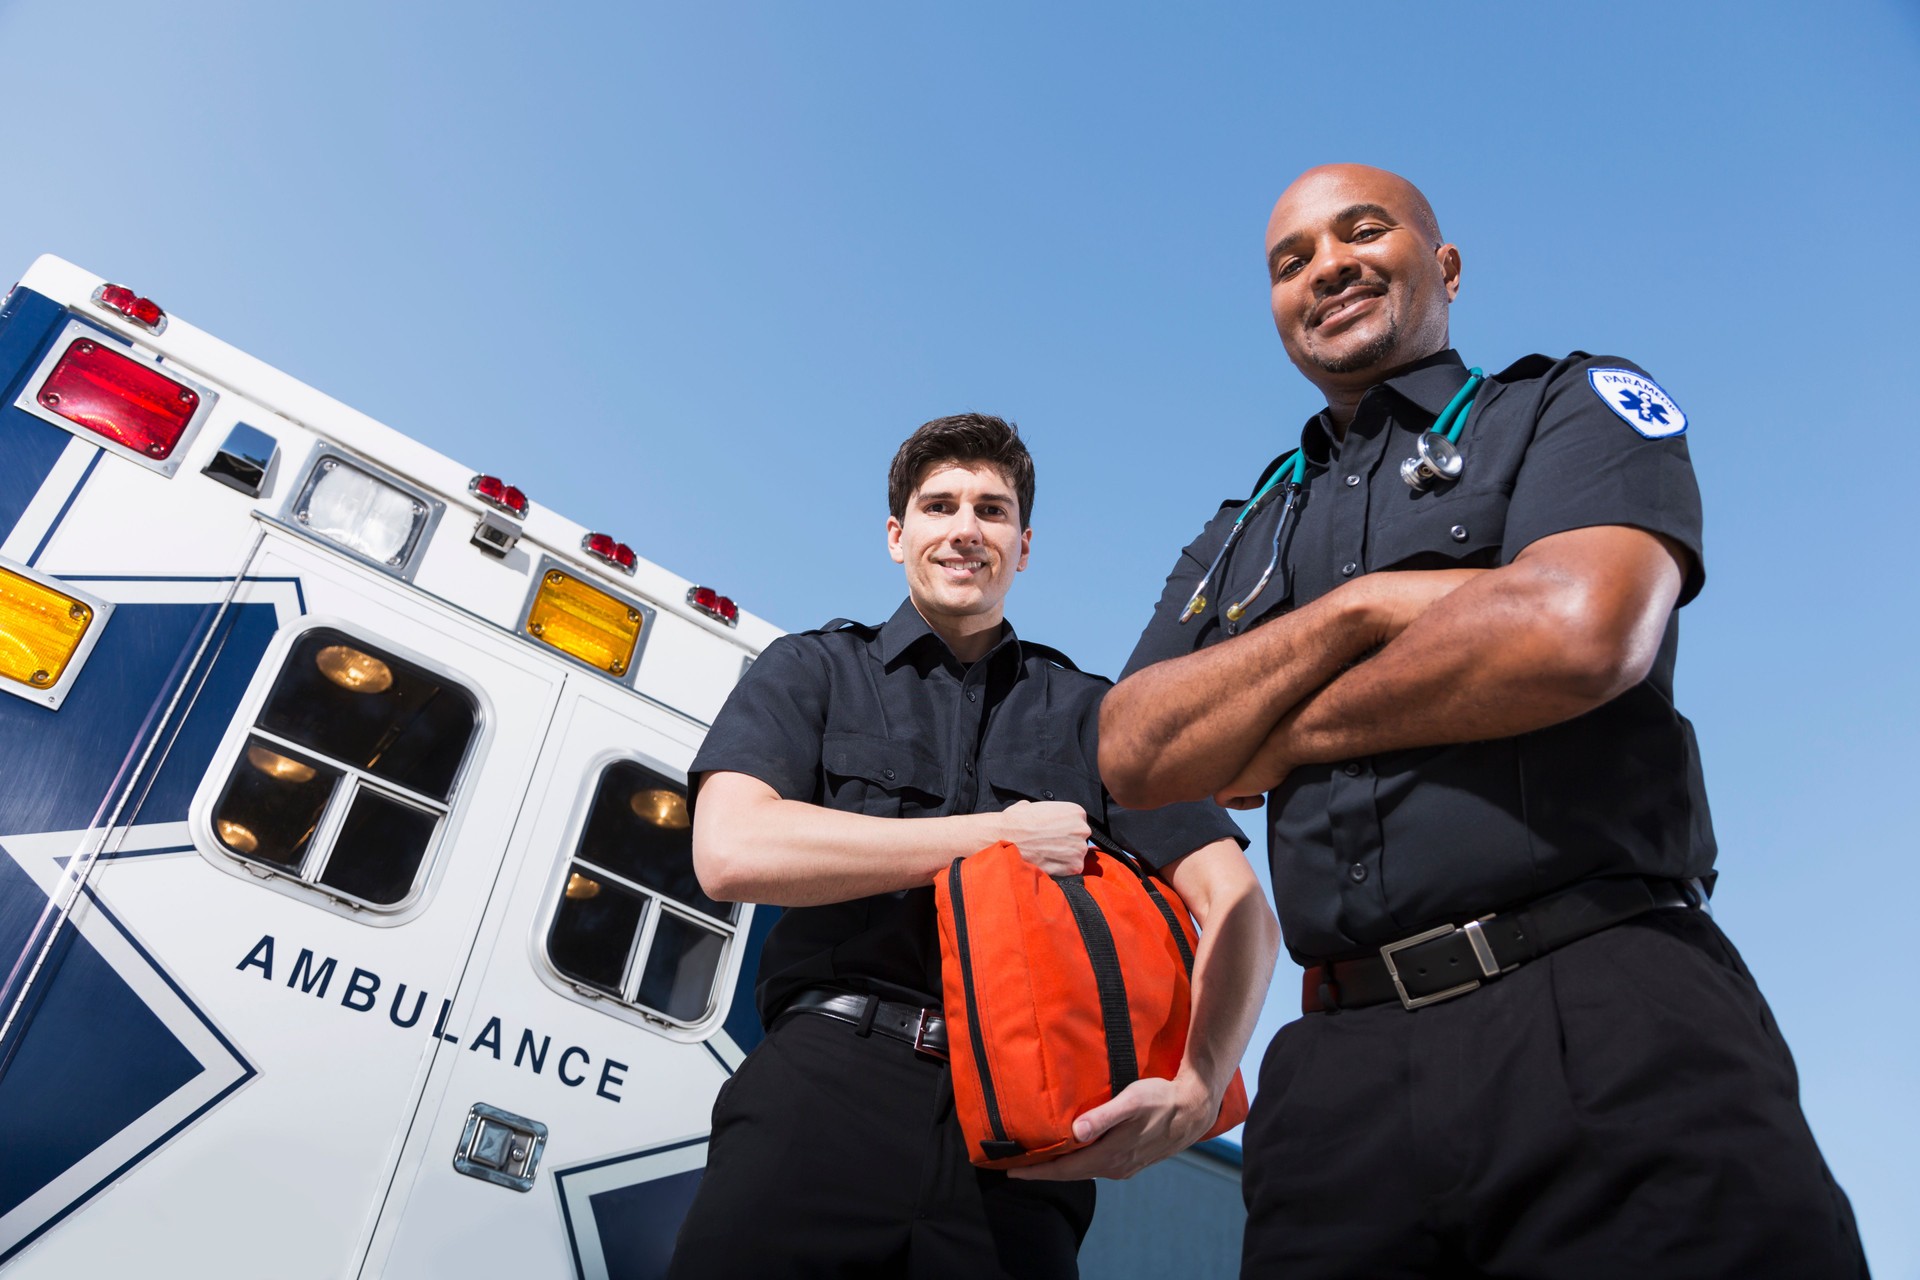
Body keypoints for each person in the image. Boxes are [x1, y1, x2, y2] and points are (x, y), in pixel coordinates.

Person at [1100, 164, 1867, 1278]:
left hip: (1606, 1012)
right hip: (1340, 1083)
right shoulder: (1244, 528)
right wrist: (1369, 619)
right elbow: (1135, 750)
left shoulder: (1567, 405)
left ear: (1446, 267)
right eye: (1292, 260)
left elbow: (1579, 624)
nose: (1329, 266)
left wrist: (1279, 720)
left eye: (1364, 231)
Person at [668, 413, 1278, 1280]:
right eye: (939, 505)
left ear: (1023, 547)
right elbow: (730, 848)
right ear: (896, 534)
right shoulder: (812, 670)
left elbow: (1242, 907)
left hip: (1027, 1135)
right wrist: (996, 836)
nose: (964, 529)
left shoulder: (1095, 719)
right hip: (824, 1092)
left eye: (992, 511)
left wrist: (1201, 1085)